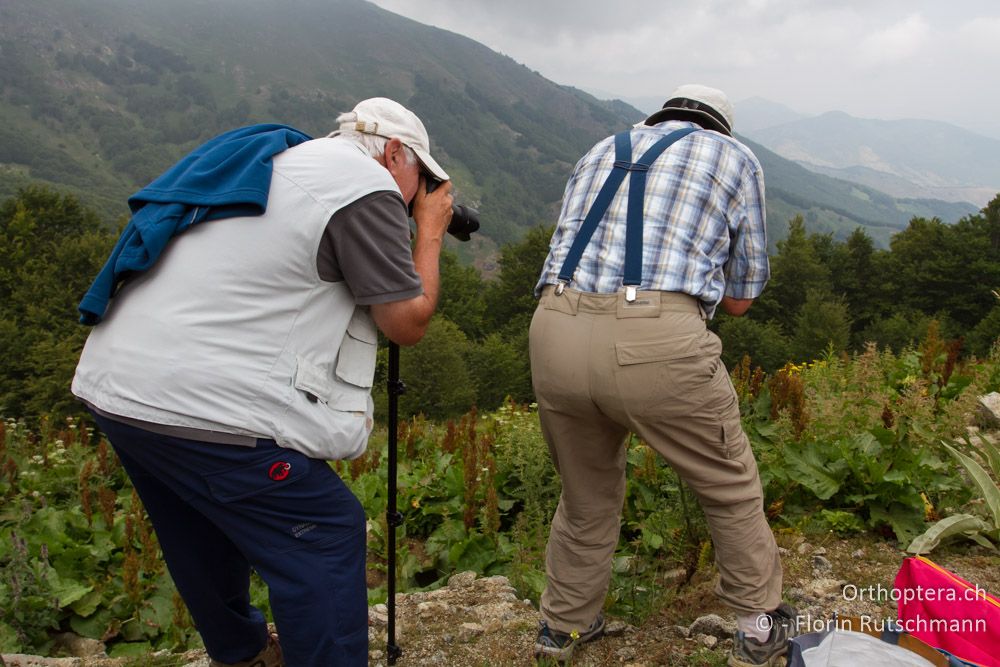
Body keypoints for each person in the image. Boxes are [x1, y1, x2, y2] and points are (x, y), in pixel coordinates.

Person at [71, 98, 454, 667]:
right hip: (202, 404)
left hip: (118, 385)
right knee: (326, 532)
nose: (415, 197)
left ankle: (243, 653)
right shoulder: (363, 183)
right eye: (420, 181)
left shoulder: (281, 164)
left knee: (196, 525)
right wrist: (430, 232)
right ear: (395, 153)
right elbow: (406, 322)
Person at [529, 84, 794, 667]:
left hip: (553, 327)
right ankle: (756, 628)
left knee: (584, 494)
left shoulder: (602, 148)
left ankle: (563, 629)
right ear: (720, 127)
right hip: (656, 336)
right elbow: (743, 296)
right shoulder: (735, 158)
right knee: (727, 484)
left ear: (660, 116)